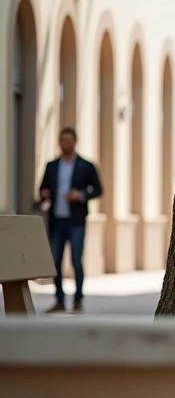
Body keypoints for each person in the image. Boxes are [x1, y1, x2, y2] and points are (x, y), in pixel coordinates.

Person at [38, 128, 103, 313]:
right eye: (62, 140)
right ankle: (59, 299)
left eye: (69, 140)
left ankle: (78, 300)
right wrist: (44, 194)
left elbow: (98, 189)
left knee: (76, 260)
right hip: (57, 220)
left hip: (76, 220)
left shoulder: (86, 165)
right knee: (55, 261)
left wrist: (80, 195)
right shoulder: (52, 165)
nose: (65, 143)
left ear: (75, 142)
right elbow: (42, 188)